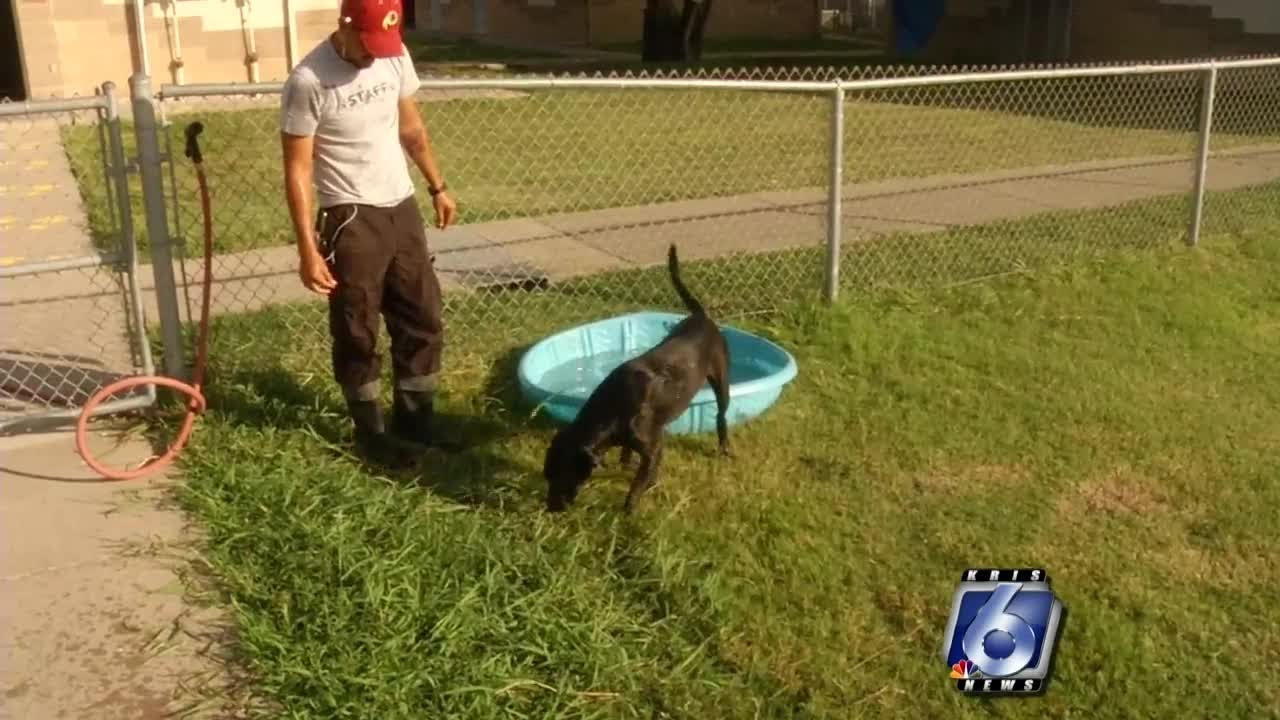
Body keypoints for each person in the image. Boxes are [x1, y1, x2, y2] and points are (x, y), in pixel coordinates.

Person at [279, 0, 457, 467]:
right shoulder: (309, 80)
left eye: (386, 44)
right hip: (350, 216)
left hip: (401, 206)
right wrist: (306, 250)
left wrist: (437, 186)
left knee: (423, 318)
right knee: (357, 329)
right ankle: (372, 437)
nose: (376, 56)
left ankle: (416, 430)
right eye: (368, 43)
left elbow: (412, 128)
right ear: (345, 25)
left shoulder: (393, 54)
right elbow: (297, 169)